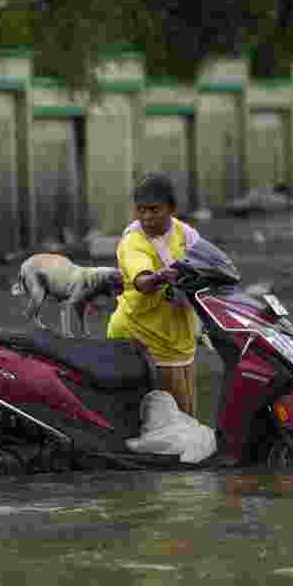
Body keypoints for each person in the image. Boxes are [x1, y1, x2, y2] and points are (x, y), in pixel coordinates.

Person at [107, 173, 200, 417]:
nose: (146, 217)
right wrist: (160, 277)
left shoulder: (185, 234)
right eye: (141, 210)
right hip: (141, 336)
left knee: (184, 413)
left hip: (176, 335)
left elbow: (207, 262)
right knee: (170, 418)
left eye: (154, 210)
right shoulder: (133, 242)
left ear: (172, 208)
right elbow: (143, 281)